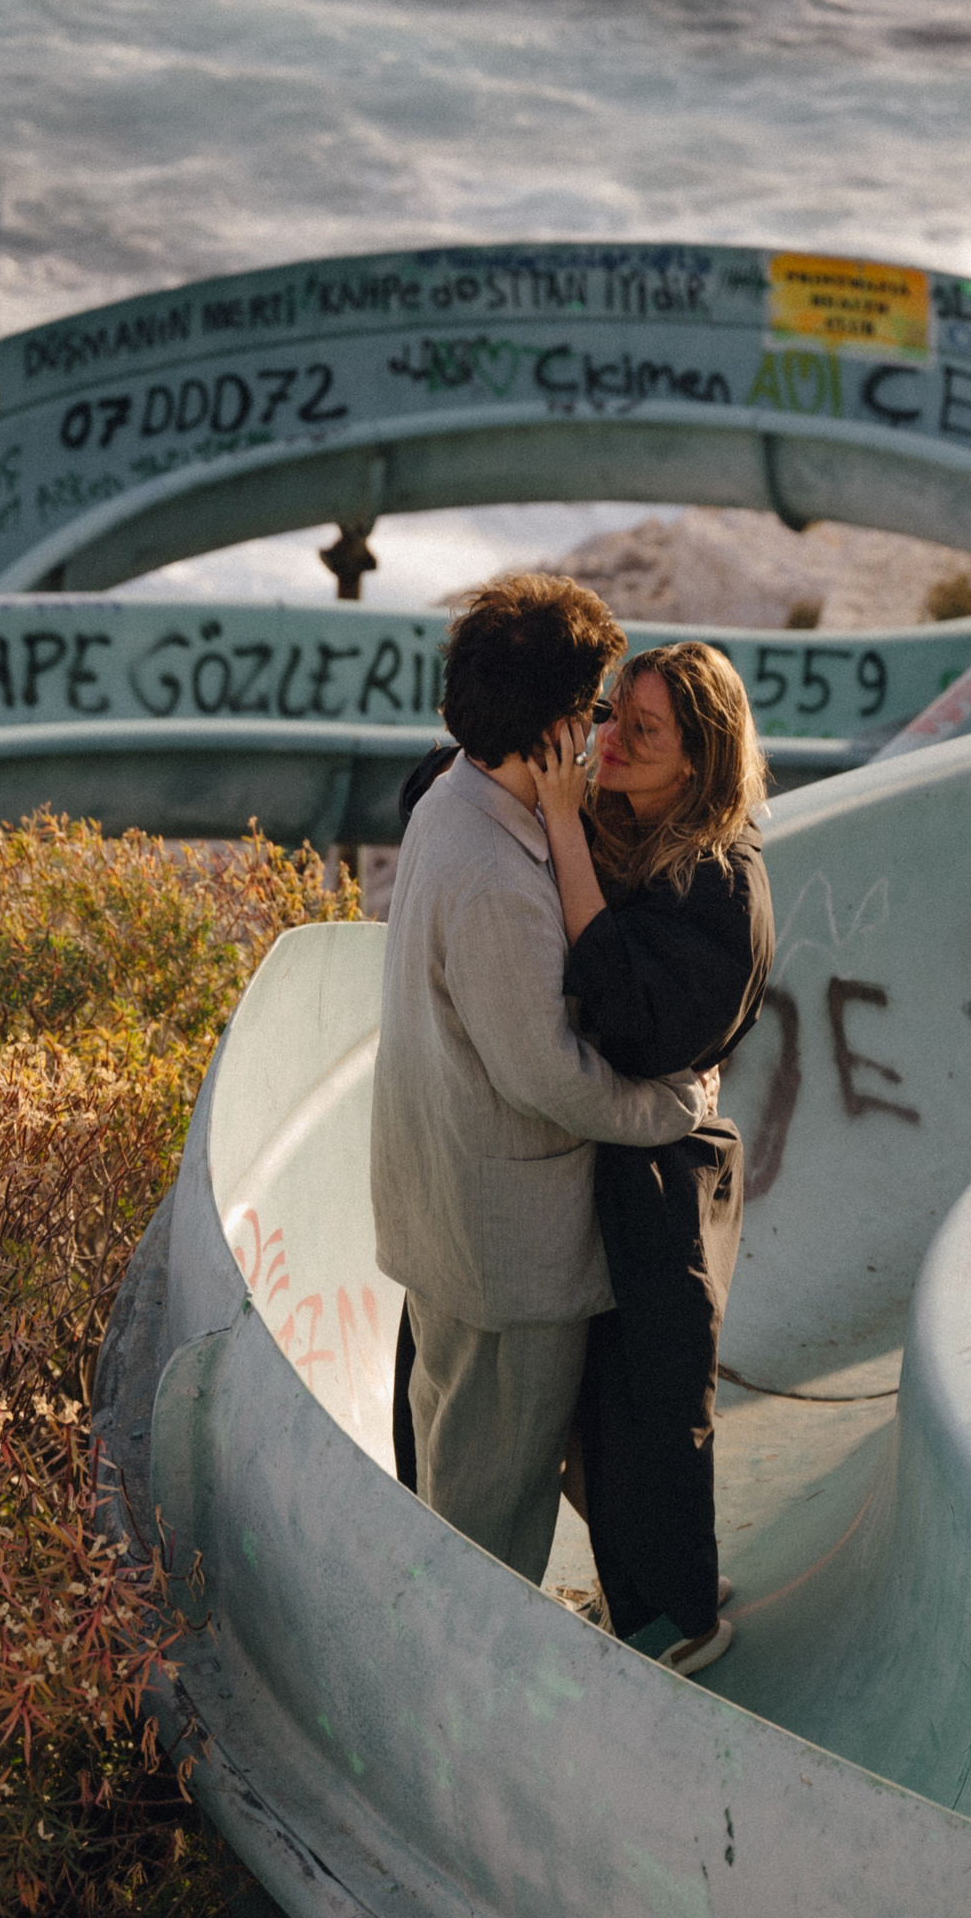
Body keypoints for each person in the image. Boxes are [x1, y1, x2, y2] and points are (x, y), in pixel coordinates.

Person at [370, 576, 705, 1588]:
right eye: (597, 710)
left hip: (447, 1218)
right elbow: (546, 1076)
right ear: (558, 729)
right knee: (483, 1534)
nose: (604, 728)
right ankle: (455, 1710)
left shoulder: (452, 803)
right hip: (504, 1255)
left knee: (452, 1478)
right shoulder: (496, 878)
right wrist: (670, 1105)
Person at [532, 642, 775, 1677]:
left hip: (671, 1176)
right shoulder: (623, 827)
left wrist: (557, 823)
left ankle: (681, 1618)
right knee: (587, 1403)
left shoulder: (721, 881)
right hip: (607, 1165)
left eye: (645, 731)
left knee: (651, 1404)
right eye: (612, 716)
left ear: (699, 759)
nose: (613, 742)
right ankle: (663, 1584)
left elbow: (633, 1019)